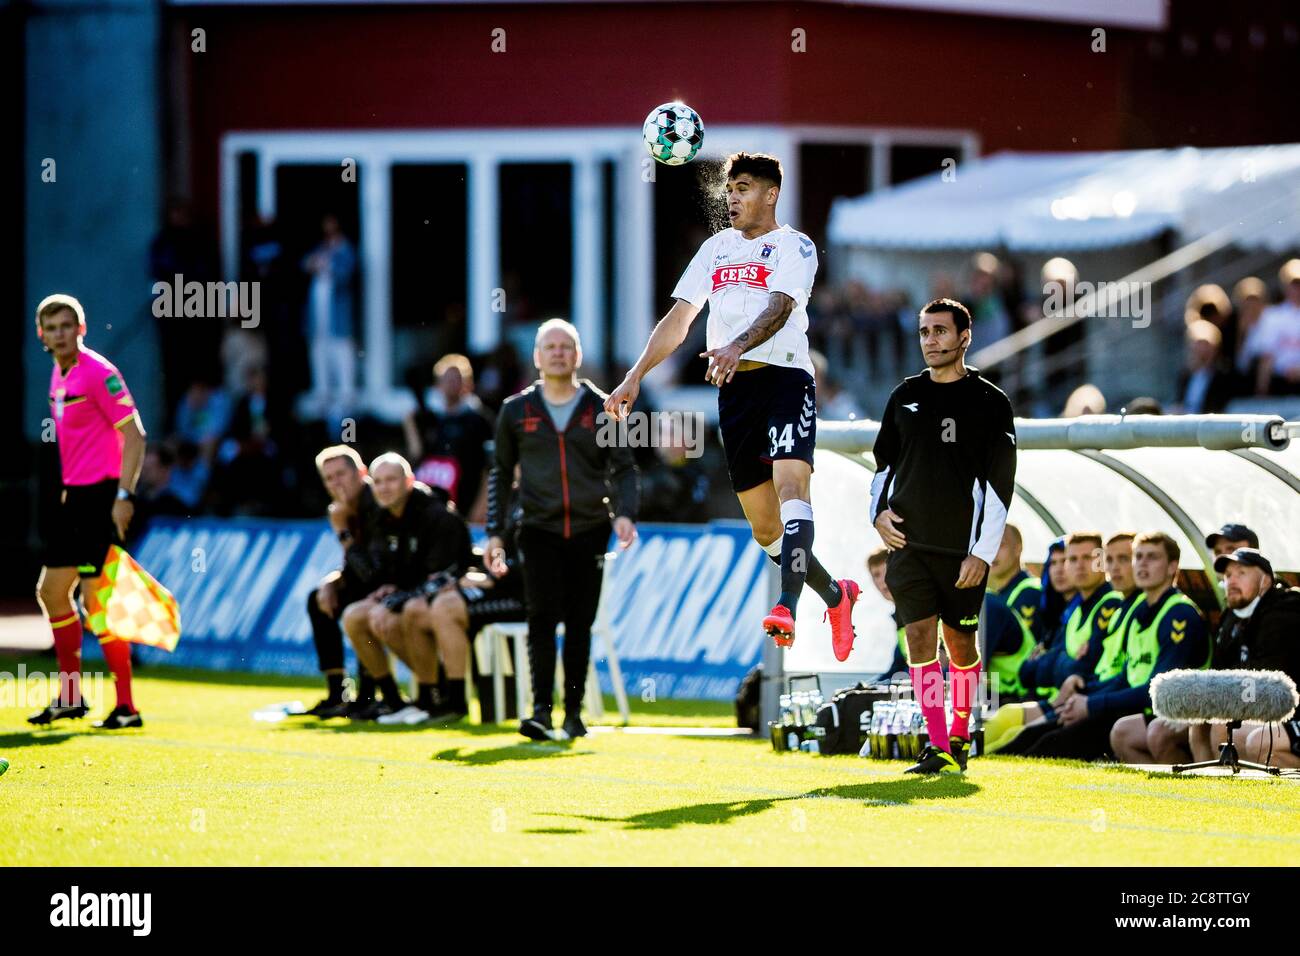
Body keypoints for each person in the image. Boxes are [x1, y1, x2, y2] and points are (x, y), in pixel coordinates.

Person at [604, 151, 861, 660]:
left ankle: (786, 606)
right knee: (765, 530)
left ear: (771, 194)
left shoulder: (795, 246)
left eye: (743, 187)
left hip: (785, 381)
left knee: (792, 489)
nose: (733, 198)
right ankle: (836, 594)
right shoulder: (716, 249)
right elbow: (679, 319)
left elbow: (781, 307)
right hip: (735, 391)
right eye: (730, 188)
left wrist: (736, 345)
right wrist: (635, 377)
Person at [870, 297, 1018, 773]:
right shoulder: (904, 396)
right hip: (908, 546)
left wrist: (982, 553)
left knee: (960, 648)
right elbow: (883, 467)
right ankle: (937, 743)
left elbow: (1000, 486)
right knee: (917, 638)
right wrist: (877, 515)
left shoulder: (991, 403)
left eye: (939, 331)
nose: (930, 340)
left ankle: (961, 731)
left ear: (964, 337)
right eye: (924, 332)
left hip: (961, 553)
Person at [487, 319, 639, 740]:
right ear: (537, 357)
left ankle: (573, 714)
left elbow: (624, 469)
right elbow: (500, 473)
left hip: (591, 528)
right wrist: (495, 533)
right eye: (549, 347)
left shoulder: (602, 408)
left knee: (579, 623)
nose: (557, 352)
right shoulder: (515, 410)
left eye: (565, 346)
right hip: (536, 528)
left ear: (578, 356)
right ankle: (540, 711)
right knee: (540, 618)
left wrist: (625, 513)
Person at [28, 294, 148, 730]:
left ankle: (126, 707)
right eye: (51, 327)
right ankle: (72, 697)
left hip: (100, 498)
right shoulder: (58, 374)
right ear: (42, 334)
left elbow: (135, 435)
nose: (60, 334)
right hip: (73, 497)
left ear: (81, 328)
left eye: (67, 326)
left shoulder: (99, 373)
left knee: (98, 601)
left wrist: (124, 495)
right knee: (53, 593)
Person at [1016, 532, 1207, 760]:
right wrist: (1083, 698)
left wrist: (1092, 704)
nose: (1142, 564)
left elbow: (1161, 692)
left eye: (1152, 557)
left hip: (1168, 713)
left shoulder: (1179, 614)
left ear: (1172, 567)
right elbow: (1125, 677)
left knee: (1049, 746)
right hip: (1130, 706)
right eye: (1138, 557)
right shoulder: (1139, 614)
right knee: (1033, 738)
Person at [1111, 547, 1300, 767]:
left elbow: (1270, 683)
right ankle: (1205, 791)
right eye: (1228, 576)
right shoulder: (1231, 618)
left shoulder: (1285, 614)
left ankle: (1231, 793)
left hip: (1285, 711)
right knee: (1198, 724)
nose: (1232, 581)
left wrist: (1216, 705)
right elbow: (1219, 674)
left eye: (1241, 573)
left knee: (1221, 726)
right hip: (1246, 705)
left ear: (1265, 581)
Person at [341, 454, 474, 722]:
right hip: (411, 595)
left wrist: (397, 595)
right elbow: (373, 573)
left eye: (391, 480)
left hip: (452, 598)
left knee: (395, 613)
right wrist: (386, 586)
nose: (384, 487)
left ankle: (434, 694)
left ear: (409, 481)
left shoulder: (436, 516)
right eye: (378, 482)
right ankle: (394, 699)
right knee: (354, 617)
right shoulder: (381, 517)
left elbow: (441, 578)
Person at [986, 532, 1136, 751]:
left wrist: (1060, 662)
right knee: (1007, 722)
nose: (1080, 566)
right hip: (1064, 697)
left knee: (1021, 741)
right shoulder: (1075, 611)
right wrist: (1064, 662)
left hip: (1091, 700)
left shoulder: (1110, 603)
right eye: (1072, 559)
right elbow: (1035, 670)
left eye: (1088, 558)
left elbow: (1082, 667)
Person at [406, 505, 528, 723]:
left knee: (446, 608)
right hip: (504, 588)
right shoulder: (511, 500)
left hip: (527, 599)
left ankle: (455, 701)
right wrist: (477, 574)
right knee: (416, 610)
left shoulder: (538, 502)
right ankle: (430, 697)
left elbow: (531, 565)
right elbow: (499, 556)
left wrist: (489, 579)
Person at [300, 445, 382, 718]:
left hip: (394, 585)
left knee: (358, 606)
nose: (336, 483)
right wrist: (332, 582)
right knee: (318, 600)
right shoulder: (345, 507)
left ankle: (369, 694)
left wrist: (342, 531)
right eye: (328, 478)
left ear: (361, 472)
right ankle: (337, 692)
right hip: (372, 582)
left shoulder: (379, 500)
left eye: (341, 474)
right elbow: (356, 568)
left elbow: (373, 572)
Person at [402, 353, 495, 519]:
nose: (452, 384)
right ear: (437, 385)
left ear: (468, 384)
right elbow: (417, 456)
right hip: (435, 508)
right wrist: (411, 425)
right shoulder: (431, 420)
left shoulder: (480, 420)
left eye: (457, 379)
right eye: (447, 379)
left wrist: (481, 506)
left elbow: (490, 468)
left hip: (468, 504)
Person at [301, 214, 357, 422]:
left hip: (339, 321)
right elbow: (305, 263)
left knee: (342, 359)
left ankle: (346, 407)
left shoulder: (345, 249)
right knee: (319, 359)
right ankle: (322, 404)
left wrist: (328, 265)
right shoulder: (320, 248)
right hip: (318, 321)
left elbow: (346, 272)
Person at [985, 522, 1041, 633]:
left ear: (1018, 548)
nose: (993, 553)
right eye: (989, 546)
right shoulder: (1002, 593)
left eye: (1000, 545)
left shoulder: (1030, 593)